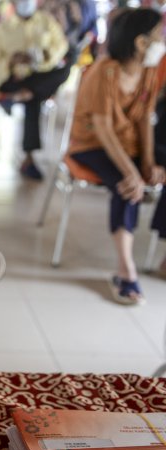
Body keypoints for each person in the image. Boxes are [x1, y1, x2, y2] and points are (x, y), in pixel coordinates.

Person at [68, 8, 166, 304]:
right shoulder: (103, 72)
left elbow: (145, 119)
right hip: (92, 145)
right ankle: (126, 271)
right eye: (157, 36)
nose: (162, 41)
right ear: (140, 43)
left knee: (145, 176)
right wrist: (132, 172)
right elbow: (103, 128)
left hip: (127, 145)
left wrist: (148, 163)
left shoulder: (149, 71)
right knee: (128, 188)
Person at [0, 0, 70, 180]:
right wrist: (11, 61)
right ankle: (29, 159)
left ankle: (23, 95)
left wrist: (46, 55)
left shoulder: (47, 22)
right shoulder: (1, 29)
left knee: (65, 69)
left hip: (38, 75)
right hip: (12, 79)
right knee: (33, 99)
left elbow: (61, 46)